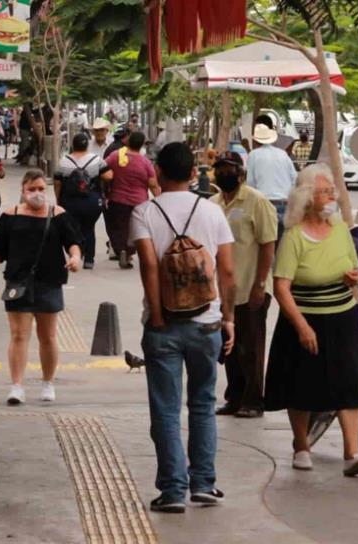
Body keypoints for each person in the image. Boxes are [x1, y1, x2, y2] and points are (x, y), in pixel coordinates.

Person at [128, 142, 236, 514]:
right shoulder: (212, 211)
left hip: (164, 326)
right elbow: (227, 271)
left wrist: (157, 315)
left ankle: (173, 490)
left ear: (158, 172)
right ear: (194, 174)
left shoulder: (144, 212)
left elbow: (149, 266)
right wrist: (228, 318)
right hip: (207, 322)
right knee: (203, 404)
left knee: (166, 409)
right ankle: (204, 484)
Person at [264, 163, 358, 477]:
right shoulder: (294, 236)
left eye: (331, 192)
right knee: (302, 385)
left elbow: (354, 267)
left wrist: (354, 277)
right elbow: (281, 286)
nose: (330, 197)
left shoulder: (339, 228)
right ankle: (301, 446)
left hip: (342, 318)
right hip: (305, 319)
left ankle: (352, 453)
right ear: (308, 198)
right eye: (324, 192)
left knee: (350, 383)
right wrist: (301, 326)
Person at [0, 170, 83, 405]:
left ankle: (47, 383)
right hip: (18, 282)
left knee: (48, 336)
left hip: (49, 282)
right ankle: (17, 386)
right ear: (22, 191)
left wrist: (75, 258)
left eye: (41, 189)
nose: (37, 194)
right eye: (31, 189)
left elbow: (73, 242)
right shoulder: (10, 216)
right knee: (19, 335)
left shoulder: (58, 215)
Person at [209, 151, 278, 419]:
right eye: (220, 169)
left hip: (251, 285)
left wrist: (260, 284)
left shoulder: (256, 202)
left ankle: (253, 400)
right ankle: (234, 398)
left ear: (241, 173)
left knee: (251, 346)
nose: (225, 173)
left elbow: (268, 244)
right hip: (224, 290)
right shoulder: (213, 203)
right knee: (229, 346)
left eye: (229, 169)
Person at [53, 133, 113, 270]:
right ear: (87, 145)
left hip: (70, 201)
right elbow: (108, 176)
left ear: (72, 145)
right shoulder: (96, 160)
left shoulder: (63, 161)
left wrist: (59, 199)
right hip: (92, 201)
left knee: (74, 229)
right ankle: (89, 260)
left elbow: (57, 183)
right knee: (89, 228)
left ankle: (77, 256)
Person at [104, 131, 161, 269]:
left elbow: (102, 168)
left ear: (128, 142)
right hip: (139, 203)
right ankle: (129, 253)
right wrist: (160, 199)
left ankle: (121, 250)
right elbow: (153, 184)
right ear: (141, 145)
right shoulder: (145, 162)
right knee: (135, 230)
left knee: (119, 228)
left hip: (117, 200)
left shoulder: (116, 156)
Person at [245, 123, 297, 237]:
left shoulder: (253, 155)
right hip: (285, 203)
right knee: (283, 245)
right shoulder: (283, 154)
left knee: (267, 243)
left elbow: (250, 184)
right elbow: (294, 179)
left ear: (255, 141)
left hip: (265, 204)